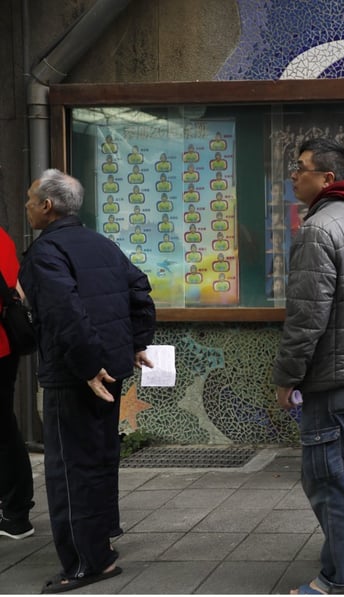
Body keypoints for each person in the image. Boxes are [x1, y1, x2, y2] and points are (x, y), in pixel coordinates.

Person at [20, 169, 155, 593]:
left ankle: (87, 562)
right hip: (108, 368)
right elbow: (140, 291)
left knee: (70, 470)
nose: (26, 207)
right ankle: (102, 538)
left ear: (47, 206)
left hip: (76, 375)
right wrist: (135, 343)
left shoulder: (46, 253)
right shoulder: (102, 244)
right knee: (98, 458)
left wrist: (86, 367)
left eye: (29, 200)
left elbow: (64, 314)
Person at [272, 138, 344, 595]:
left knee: (327, 476)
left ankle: (340, 578)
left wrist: (287, 377)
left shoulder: (318, 230)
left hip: (331, 375)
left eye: (301, 168)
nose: (293, 176)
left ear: (328, 179)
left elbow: (305, 317)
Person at [0, 226, 33, 542]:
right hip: (4, 348)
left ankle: (15, 510)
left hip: (1, 346)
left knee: (3, 430)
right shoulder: (2, 237)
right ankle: (14, 510)